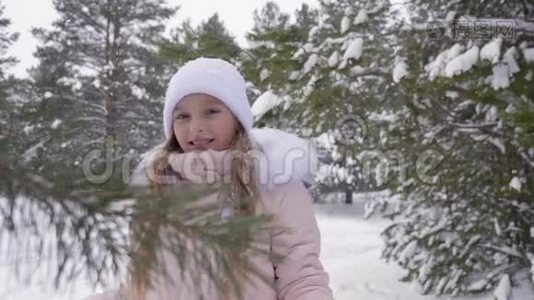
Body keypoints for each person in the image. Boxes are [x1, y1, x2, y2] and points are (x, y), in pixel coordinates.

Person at [84, 57, 334, 300]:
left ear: (237, 118)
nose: (196, 128)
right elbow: (141, 287)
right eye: (182, 116)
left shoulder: (275, 185)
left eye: (211, 111)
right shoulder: (156, 188)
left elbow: (301, 280)